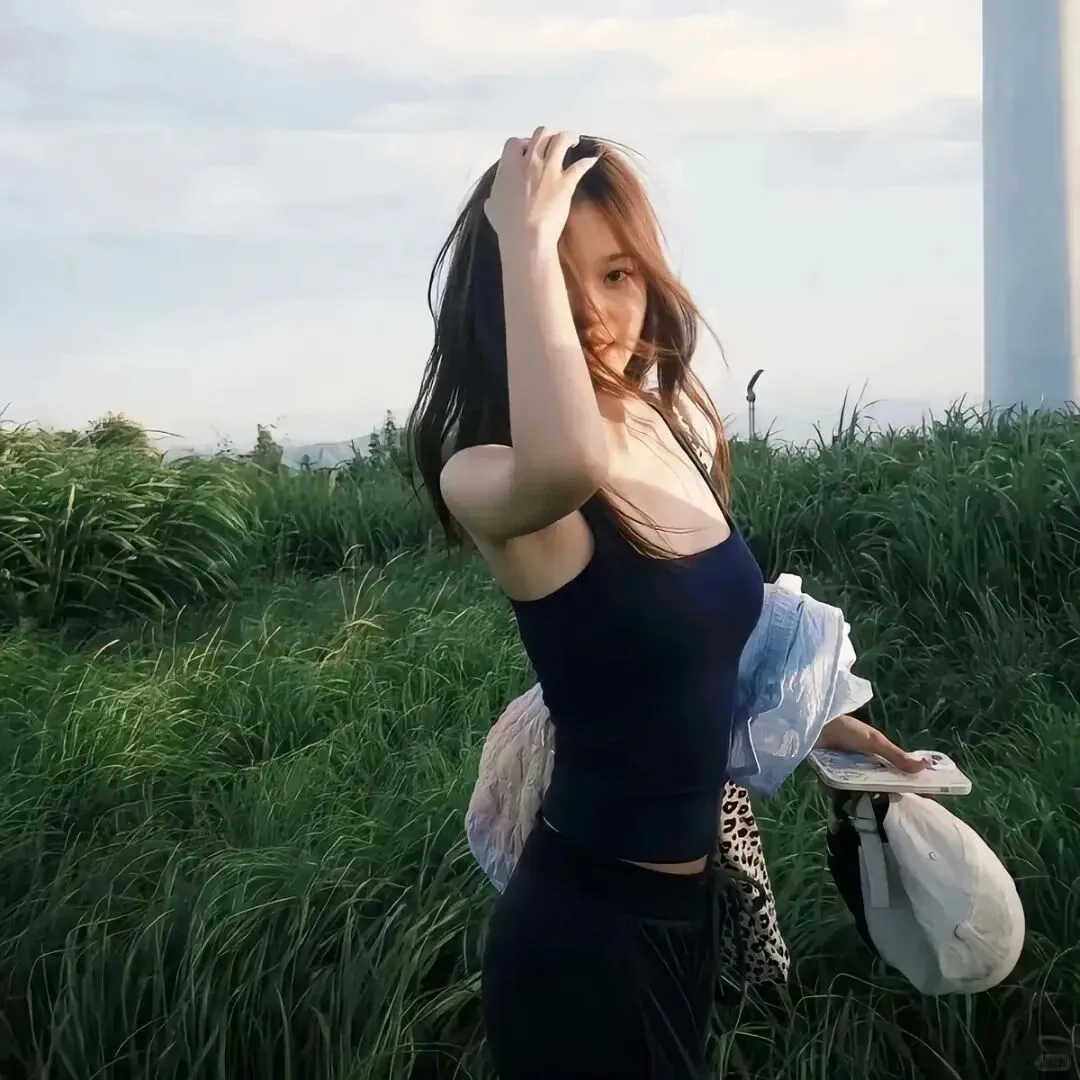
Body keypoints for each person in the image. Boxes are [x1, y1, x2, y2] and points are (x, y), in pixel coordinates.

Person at [406, 129, 929, 1079]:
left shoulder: (658, 427)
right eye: (556, 277)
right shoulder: (484, 472)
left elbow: (700, 638)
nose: (595, 312)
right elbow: (567, 461)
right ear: (507, 293)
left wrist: (821, 724)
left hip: (684, 916)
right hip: (583, 936)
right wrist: (523, 236)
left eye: (616, 274)